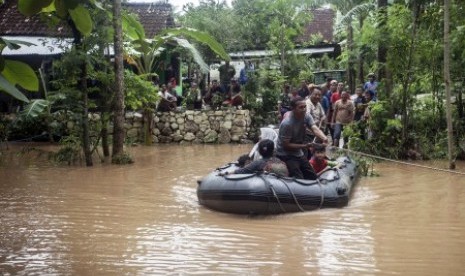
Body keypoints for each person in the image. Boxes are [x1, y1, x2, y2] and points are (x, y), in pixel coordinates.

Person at [276, 97, 329, 180]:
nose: (304, 109)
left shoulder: (306, 116)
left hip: (298, 152)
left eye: (305, 107)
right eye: (301, 107)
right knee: (298, 178)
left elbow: (314, 128)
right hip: (285, 153)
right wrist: (304, 146)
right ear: (293, 109)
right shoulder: (287, 123)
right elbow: (286, 145)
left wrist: (324, 138)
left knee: (312, 176)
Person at [222, 139, 289, 177]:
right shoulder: (278, 160)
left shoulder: (258, 163)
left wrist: (225, 173)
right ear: (273, 151)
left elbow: (241, 171)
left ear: (259, 151)